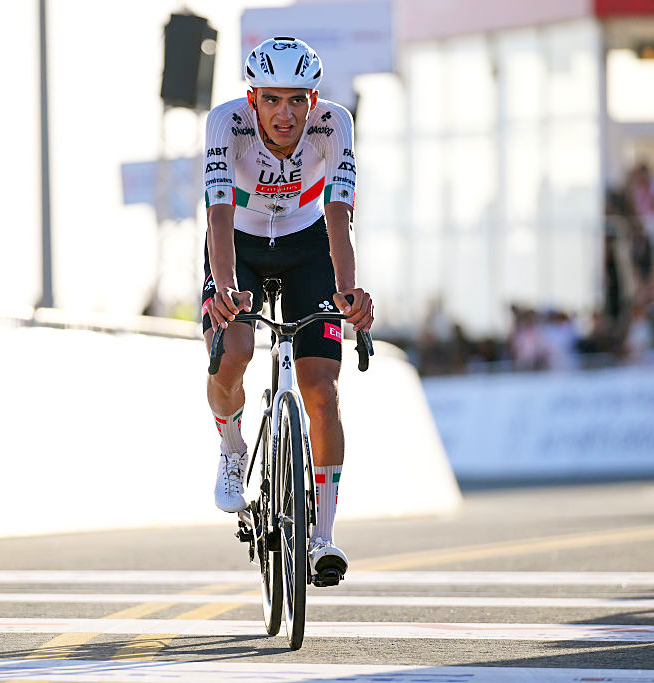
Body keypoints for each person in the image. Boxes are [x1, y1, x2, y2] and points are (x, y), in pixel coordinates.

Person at [200, 37, 374, 582]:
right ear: (252, 99)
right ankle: (232, 446)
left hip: (308, 247)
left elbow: (339, 215)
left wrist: (349, 290)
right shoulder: (224, 124)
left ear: (313, 99)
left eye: (297, 100)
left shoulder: (334, 123)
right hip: (241, 247)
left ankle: (322, 537)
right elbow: (219, 215)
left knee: (321, 386)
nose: (285, 113)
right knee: (236, 351)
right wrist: (225, 287)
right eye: (272, 99)